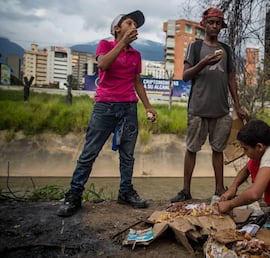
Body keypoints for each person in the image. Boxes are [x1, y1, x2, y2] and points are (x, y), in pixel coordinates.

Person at [57, 10, 157, 217]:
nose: (134, 27)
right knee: (89, 153)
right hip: (105, 107)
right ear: (117, 29)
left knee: (128, 155)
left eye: (136, 25)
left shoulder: (136, 55)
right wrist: (121, 44)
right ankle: (74, 195)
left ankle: (125, 192)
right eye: (129, 23)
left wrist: (148, 106)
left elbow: (137, 82)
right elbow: (102, 64)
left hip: (129, 107)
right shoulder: (105, 45)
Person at [170, 7, 248, 203]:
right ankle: (186, 190)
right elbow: (186, 76)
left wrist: (237, 106)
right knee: (192, 148)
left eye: (218, 23)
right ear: (204, 24)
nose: (215, 26)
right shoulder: (195, 48)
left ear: (221, 26)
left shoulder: (227, 50)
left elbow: (231, 79)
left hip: (221, 110)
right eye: (211, 22)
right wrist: (203, 63)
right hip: (198, 108)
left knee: (218, 149)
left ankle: (219, 189)